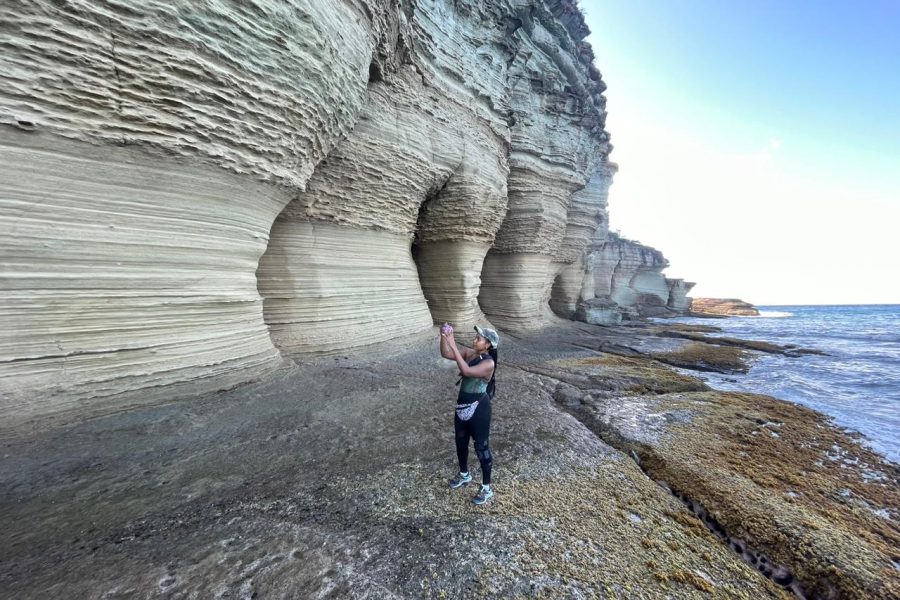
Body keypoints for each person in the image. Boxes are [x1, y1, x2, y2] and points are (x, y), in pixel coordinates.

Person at [439, 324, 499, 505]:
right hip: (462, 405)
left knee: (481, 448)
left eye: (479, 338)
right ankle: (464, 475)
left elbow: (466, 371)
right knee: (461, 443)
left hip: (479, 408)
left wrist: (453, 344)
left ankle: (486, 488)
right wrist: (443, 337)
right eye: (475, 337)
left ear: (488, 344)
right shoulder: (470, 353)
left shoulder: (488, 363)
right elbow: (445, 354)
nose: (475, 340)